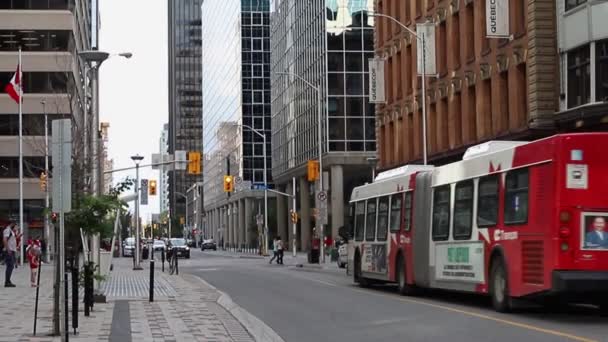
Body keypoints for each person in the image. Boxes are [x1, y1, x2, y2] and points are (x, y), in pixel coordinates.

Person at [3, 222, 17, 287]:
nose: (16, 227)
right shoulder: (7, 230)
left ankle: (8, 281)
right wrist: (8, 249)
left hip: (12, 250)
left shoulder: (11, 231)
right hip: (9, 250)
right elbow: (5, 240)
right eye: (15, 225)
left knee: (11, 266)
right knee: (10, 266)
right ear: (12, 224)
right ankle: (7, 282)